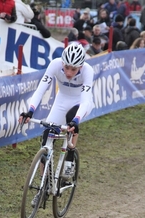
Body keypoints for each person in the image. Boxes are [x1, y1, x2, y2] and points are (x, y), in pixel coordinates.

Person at [19, 44, 94, 205]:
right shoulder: (54, 64)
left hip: (80, 103)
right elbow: (41, 89)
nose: (68, 73)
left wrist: (77, 120)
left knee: (71, 120)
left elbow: (86, 100)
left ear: (80, 66)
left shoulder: (88, 71)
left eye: (73, 69)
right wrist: (30, 110)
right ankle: (43, 185)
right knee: (46, 136)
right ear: (62, 63)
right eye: (66, 67)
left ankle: (70, 159)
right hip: (61, 101)